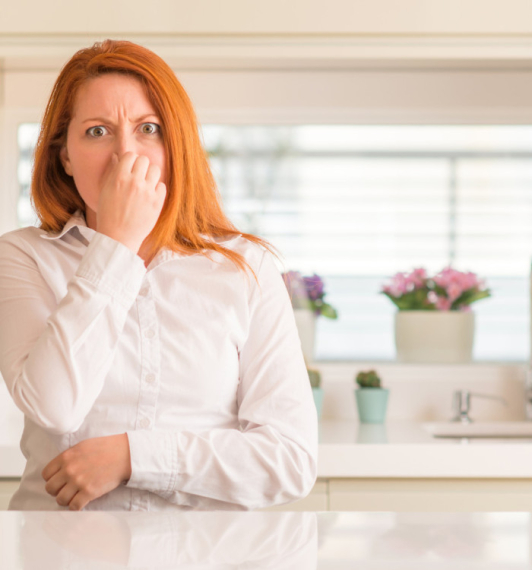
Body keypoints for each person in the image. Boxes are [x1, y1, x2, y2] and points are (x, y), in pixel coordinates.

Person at [0, 40, 318, 511]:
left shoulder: (246, 267)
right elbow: (54, 407)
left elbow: (289, 460)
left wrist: (133, 456)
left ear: (176, 146)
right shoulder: (20, 257)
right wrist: (115, 245)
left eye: (148, 129)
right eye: (97, 131)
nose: (126, 154)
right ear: (64, 156)